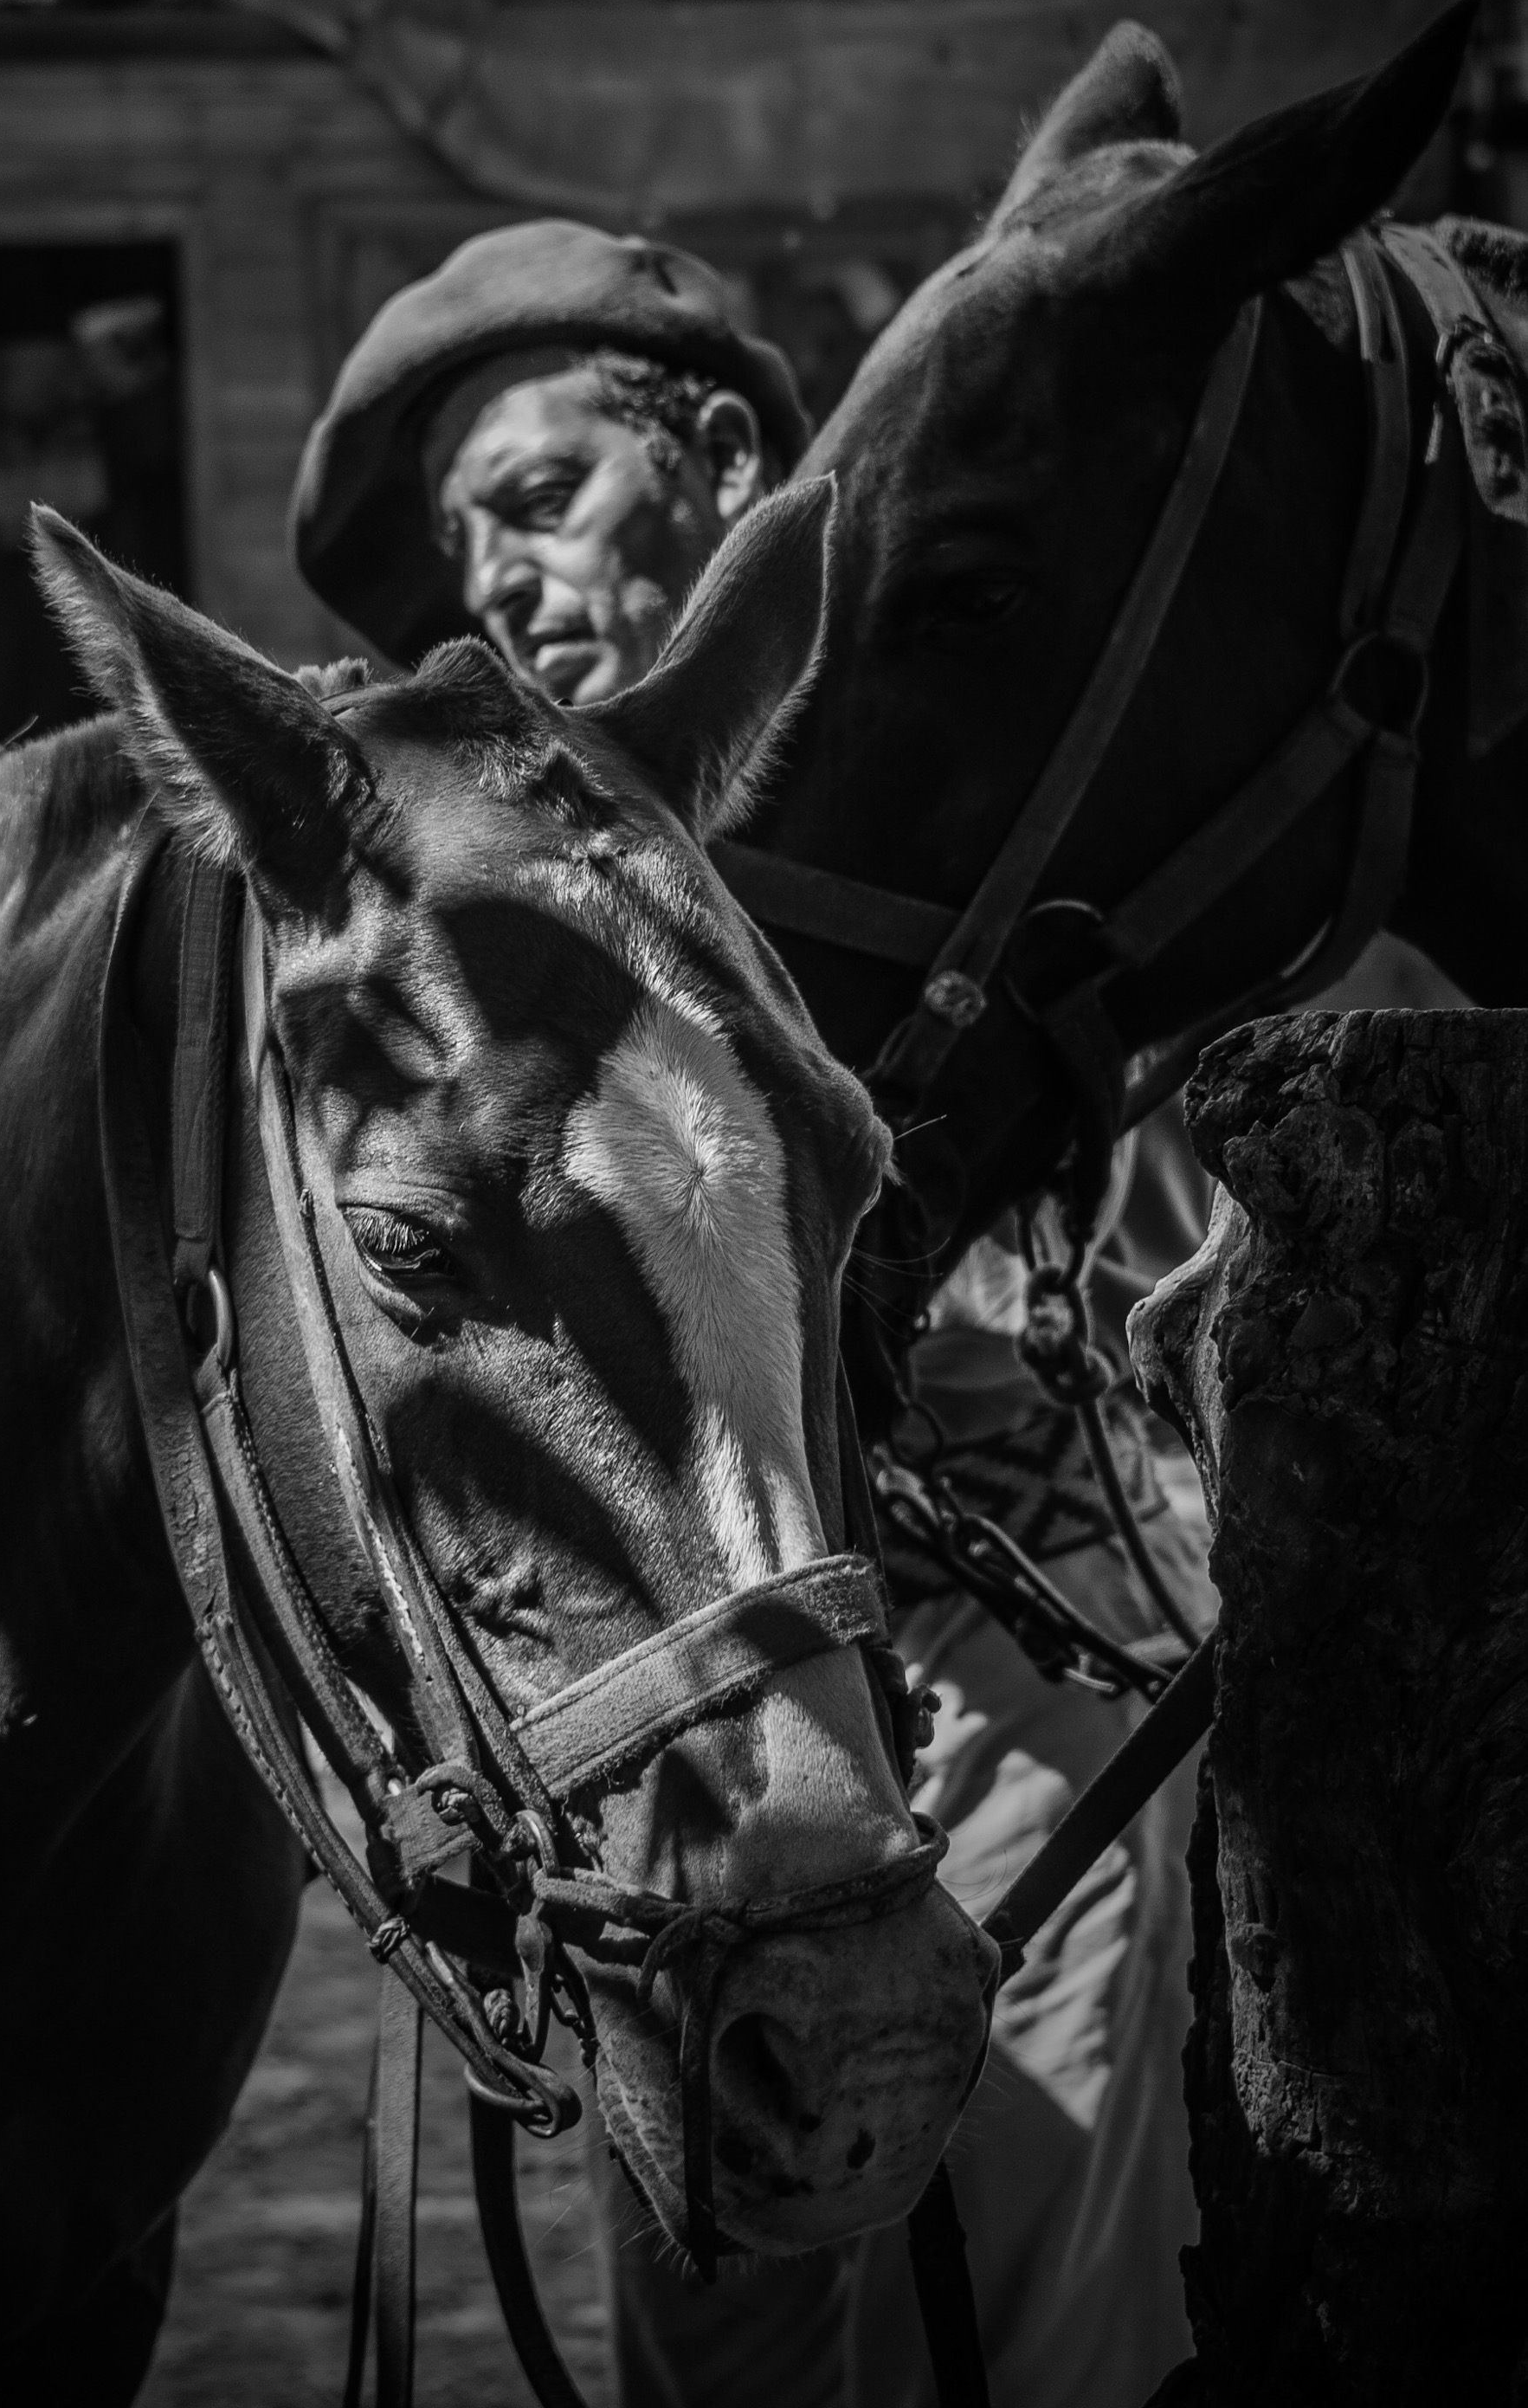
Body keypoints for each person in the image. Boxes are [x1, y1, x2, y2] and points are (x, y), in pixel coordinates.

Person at [291, 217, 1216, 2408]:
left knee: (1032, 2331)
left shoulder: (973, 780)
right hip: (672, 1717)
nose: (495, 584)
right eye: (460, 550)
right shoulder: (509, 897)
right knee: (723, 2347)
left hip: (1006, 1646)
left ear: (717, 455)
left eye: (536, 500)